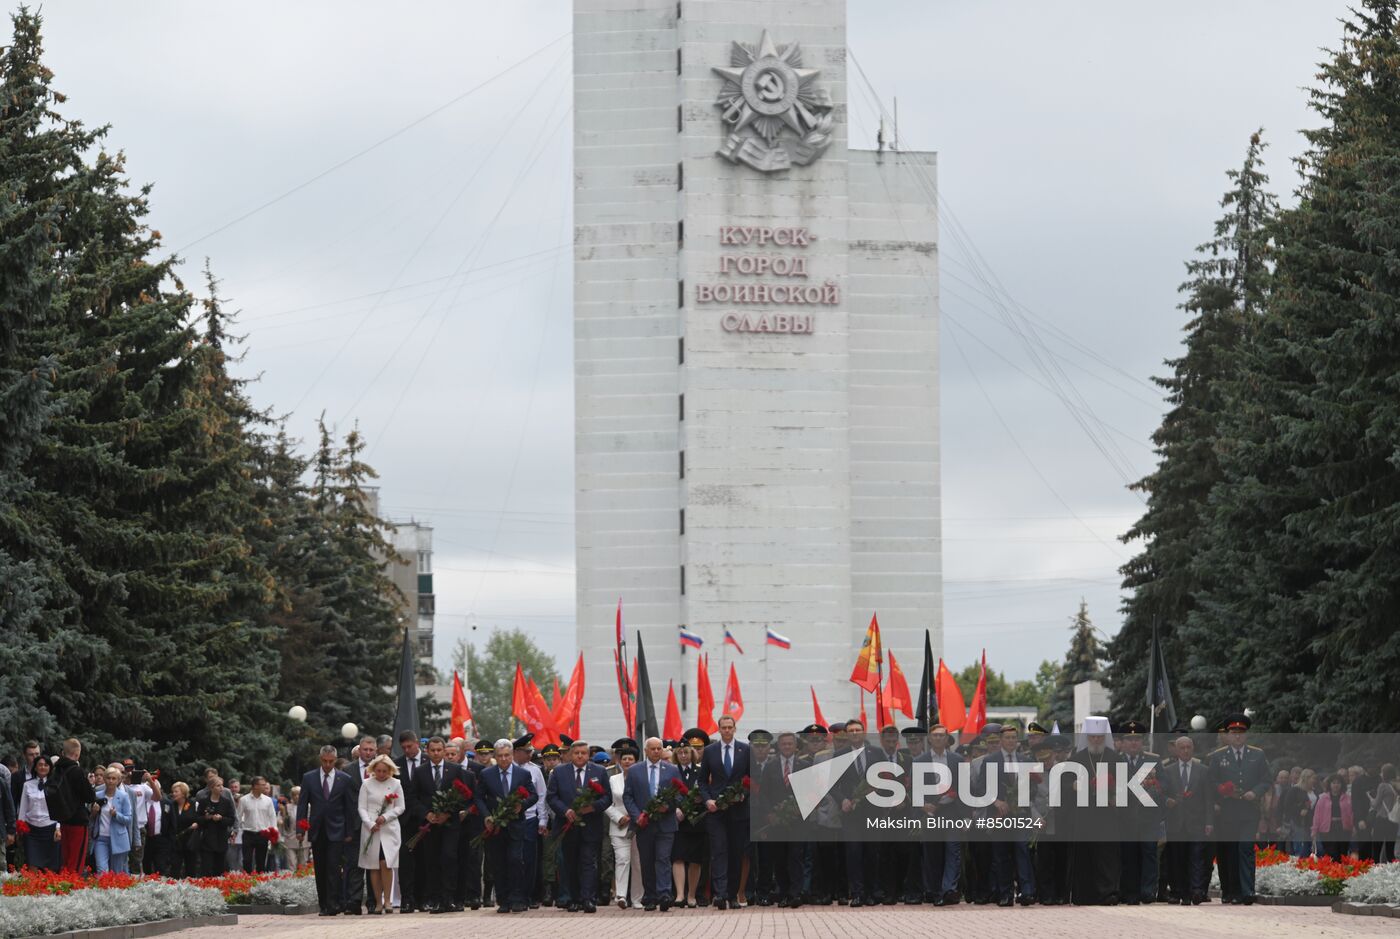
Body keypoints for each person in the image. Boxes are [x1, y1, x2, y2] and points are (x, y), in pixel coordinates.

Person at [1206, 713, 1269, 904]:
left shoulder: (1257, 754)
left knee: (1246, 849)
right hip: (1227, 811)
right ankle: (1232, 891)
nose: (1237, 736)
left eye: (1241, 732)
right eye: (1234, 732)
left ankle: (1247, 890)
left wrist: (1255, 792)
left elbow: (1266, 779)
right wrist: (1222, 791)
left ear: (1246, 734)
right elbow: (1211, 781)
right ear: (1228, 734)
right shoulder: (1218, 756)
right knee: (1230, 852)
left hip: (1249, 811)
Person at [546, 738, 611, 912]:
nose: (580, 756)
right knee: (570, 864)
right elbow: (551, 797)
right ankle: (573, 899)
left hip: (591, 826)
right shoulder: (559, 772)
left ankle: (588, 898)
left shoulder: (599, 772)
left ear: (589, 755)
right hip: (567, 825)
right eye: (577, 753)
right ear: (570, 754)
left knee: (589, 862)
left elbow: (607, 798)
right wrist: (565, 811)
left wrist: (593, 807)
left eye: (584, 753)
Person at [411, 735, 473, 914]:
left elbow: (463, 794)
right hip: (430, 825)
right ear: (427, 751)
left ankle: (449, 898)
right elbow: (413, 798)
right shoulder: (420, 771)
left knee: (449, 858)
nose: (436, 753)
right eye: (433, 750)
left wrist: (449, 812)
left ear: (444, 751)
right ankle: (436, 898)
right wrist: (427, 814)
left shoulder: (454, 769)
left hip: (450, 824)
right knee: (432, 861)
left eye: (439, 750)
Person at [1067, 716, 1125, 905]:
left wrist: (1116, 796)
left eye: (1100, 737)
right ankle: (1084, 895)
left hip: (1107, 816)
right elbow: (1065, 786)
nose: (1096, 740)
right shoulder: (1076, 759)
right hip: (1084, 816)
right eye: (1092, 737)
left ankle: (1108, 894)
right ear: (1087, 737)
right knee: (1085, 856)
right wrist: (1075, 785)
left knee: (1107, 857)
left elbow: (1124, 786)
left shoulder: (1115, 759)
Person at [477, 738, 539, 914]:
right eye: (500, 756)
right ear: (495, 757)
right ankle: (503, 899)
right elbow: (479, 797)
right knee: (499, 863)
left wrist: (523, 805)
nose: (504, 759)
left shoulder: (522, 774)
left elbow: (533, 796)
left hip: (516, 825)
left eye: (507, 755)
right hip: (495, 826)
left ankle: (518, 898)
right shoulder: (486, 774)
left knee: (515, 860)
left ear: (512, 755)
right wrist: (486, 816)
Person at [624, 736, 683, 911]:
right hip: (644, 824)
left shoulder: (672, 770)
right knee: (647, 860)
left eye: (659, 748)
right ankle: (649, 896)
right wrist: (637, 816)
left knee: (663, 858)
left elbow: (679, 794)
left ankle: (664, 894)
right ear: (646, 751)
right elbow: (628, 796)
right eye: (653, 749)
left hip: (666, 823)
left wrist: (669, 806)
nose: (656, 751)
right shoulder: (635, 771)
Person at [297, 744, 358, 916]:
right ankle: (323, 904)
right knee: (321, 868)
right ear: (320, 759)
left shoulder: (344, 779)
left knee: (333, 867)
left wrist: (349, 832)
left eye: (331, 761)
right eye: (324, 761)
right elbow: (302, 805)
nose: (328, 764)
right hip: (317, 830)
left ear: (335, 760)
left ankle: (334, 904)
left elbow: (349, 808)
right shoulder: (309, 778)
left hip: (337, 830)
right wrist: (300, 829)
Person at [699, 714, 750, 910]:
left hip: (738, 810)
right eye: (724, 728)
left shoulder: (745, 750)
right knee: (718, 851)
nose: (727, 731)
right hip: (716, 811)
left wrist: (743, 794)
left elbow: (751, 778)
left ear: (735, 728)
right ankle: (720, 894)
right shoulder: (710, 751)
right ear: (719, 729)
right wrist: (707, 799)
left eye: (730, 727)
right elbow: (702, 781)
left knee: (736, 853)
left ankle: (732, 895)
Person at [983, 723, 1036, 906]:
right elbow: (982, 789)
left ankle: (1026, 891)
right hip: (999, 816)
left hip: (1021, 815)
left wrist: (1023, 797)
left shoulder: (1026, 761)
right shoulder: (990, 761)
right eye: (1007, 738)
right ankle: (1005, 894)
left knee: (1022, 850)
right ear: (1001, 740)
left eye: (1014, 738)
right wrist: (996, 801)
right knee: (1002, 855)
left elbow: (1034, 789)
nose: (1011, 741)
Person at [1160, 735, 1212, 904]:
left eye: (1188, 747)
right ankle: (1177, 891)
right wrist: (1167, 801)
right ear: (1176, 750)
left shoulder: (1203, 770)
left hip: (1196, 822)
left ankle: (1196, 891)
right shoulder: (1168, 771)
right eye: (1181, 748)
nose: (1185, 750)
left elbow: (1208, 799)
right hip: (1175, 822)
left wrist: (1209, 822)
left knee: (1196, 858)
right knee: (1176, 859)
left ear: (1193, 749)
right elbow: (1162, 794)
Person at [916, 724, 964, 905]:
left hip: (952, 813)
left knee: (953, 850)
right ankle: (935, 891)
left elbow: (964, 789)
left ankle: (948, 890)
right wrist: (922, 806)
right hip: (930, 814)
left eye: (942, 735)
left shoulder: (957, 760)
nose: (938, 738)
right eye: (935, 735)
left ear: (946, 739)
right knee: (933, 853)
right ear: (929, 738)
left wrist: (966, 815)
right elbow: (914, 789)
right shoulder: (920, 761)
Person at [1115, 720, 1159, 904]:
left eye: (1137, 739)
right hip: (1124, 818)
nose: (1134, 743)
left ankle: (1147, 891)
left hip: (1147, 817)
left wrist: (1154, 789)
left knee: (1149, 853)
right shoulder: (1115, 761)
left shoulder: (1152, 760)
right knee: (1128, 855)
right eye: (1129, 739)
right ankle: (1128, 891)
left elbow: (1162, 787)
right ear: (1123, 742)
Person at [357, 754, 406, 914]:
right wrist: (369, 823)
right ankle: (378, 902)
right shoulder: (366, 784)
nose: (381, 774)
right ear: (373, 770)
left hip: (389, 829)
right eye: (378, 771)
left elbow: (400, 807)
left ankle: (388, 901)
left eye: (384, 771)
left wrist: (386, 817)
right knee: (374, 866)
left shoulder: (396, 784)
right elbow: (361, 807)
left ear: (390, 770)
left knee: (387, 864)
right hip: (371, 828)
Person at [511, 736, 550, 909]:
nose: (530, 754)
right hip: (509, 820)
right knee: (513, 859)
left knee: (529, 859)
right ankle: (513, 894)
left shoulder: (535, 770)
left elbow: (541, 796)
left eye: (530, 751)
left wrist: (542, 819)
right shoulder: (508, 767)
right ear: (516, 752)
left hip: (529, 819)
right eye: (526, 752)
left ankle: (529, 894)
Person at [605, 741, 644, 908]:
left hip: (639, 825)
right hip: (619, 825)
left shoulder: (642, 779)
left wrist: (636, 815)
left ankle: (637, 899)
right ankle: (621, 895)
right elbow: (606, 802)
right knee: (622, 859)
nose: (628, 761)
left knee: (638, 862)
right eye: (625, 759)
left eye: (631, 759)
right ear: (619, 761)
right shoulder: (613, 779)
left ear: (636, 761)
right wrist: (618, 817)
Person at [671, 735, 707, 907]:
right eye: (680, 753)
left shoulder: (700, 771)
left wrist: (687, 808)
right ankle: (679, 895)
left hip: (695, 820)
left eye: (686, 752)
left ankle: (691, 895)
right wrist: (677, 808)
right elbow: (668, 792)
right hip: (677, 820)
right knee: (678, 857)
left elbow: (704, 792)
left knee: (695, 859)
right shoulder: (671, 770)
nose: (683, 756)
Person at [51, 738, 97, 872]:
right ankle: (71, 889)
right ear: (77, 754)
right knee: (76, 861)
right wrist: (89, 785)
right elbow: (89, 796)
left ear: (63, 752)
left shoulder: (57, 770)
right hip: (78, 818)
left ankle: (63, 886)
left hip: (64, 818)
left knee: (66, 858)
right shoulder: (76, 771)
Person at [393, 731, 425, 912]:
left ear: (417, 743)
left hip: (425, 820)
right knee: (405, 861)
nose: (407, 750)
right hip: (404, 820)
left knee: (425, 860)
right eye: (403, 747)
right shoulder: (396, 765)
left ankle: (423, 898)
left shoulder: (429, 761)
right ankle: (407, 898)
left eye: (409, 746)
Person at [16, 754, 62, 872]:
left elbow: (59, 809)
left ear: (50, 768)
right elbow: (23, 808)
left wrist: (58, 828)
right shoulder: (27, 785)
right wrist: (20, 829)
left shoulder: (55, 785)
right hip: (32, 830)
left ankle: (47, 890)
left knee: (50, 868)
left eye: (46, 765)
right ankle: (33, 890)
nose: (43, 767)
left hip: (50, 829)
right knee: (32, 865)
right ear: (35, 767)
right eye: (40, 765)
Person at [92, 765, 133, 874]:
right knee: (101, 870)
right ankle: (102, 890)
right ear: (104, 779)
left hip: (118, 839)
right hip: (101, 838)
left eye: (114, 778)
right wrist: (94, 812)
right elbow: (91, 819)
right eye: (108, 778)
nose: (110, 781)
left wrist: (116, 815)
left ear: (118, 780)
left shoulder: (123, 796)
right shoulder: (97, 795)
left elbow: (128, 819)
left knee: (117, 873)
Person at [193, 776, 235, 875]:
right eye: (218, 786)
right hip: (207, 840)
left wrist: (221, 819)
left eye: (222, 785)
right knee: (206, 868)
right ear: (211, 788)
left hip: (221, 839)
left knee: (219, 868)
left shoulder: (226, 802)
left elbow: (231, 820)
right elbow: (197, 818)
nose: (221, 788)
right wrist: (207, 818)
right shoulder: (203, 801)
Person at [235, 776, 277, 872]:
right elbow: (238, 816)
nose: (264, 787)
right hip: (248, 833)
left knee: (261, 861)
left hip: (263, 834)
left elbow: (272, 817)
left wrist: (273, 833)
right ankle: (247, 881)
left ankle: (259, 882)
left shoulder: (268, 800)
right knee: (247, 860)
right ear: (255, 786)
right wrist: (238, 828)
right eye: (262, 785)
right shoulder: (244, 800)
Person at [1313, 774, 1353, 861]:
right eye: (1333, 783)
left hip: (1344, 829)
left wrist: (1354, 827)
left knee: (1343, 852)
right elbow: (1317, 815)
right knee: (1331, 852)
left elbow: (1351, 813)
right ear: (1329, 785)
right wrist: (1314, 830)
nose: (1336, 785)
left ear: (1342, 785)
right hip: (1327, 829)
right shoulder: (1322, 798)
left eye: (1338, 783)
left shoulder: (1348, 798)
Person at [143, 776, 176, 875]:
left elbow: (172, 822)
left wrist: (169, 840)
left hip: (162, 839)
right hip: (146, 839)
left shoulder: (167, 804)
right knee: (146, 865)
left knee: (161, 866)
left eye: (154, 788)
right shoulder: (143, 803)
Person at [171, 781, 200, 878]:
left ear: (183, 793)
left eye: (176, 792)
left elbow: (199, 819)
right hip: (176, 841)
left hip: (190, 841)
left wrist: (196, 824)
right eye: (173, 792)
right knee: (175, 867)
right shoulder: (171, 805)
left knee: (191, 867)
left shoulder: (193, 804)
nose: (173, 794)